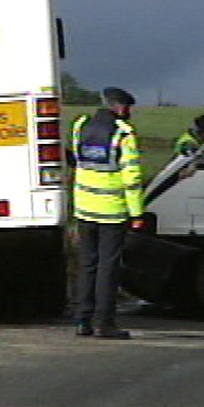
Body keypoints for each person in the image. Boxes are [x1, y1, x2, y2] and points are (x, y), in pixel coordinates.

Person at [70, 86, 145, 339]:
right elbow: (132, 177)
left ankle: (82, 321)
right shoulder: (123, 134)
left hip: (84, 209)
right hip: (111, 212)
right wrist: (137, 214)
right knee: (108, 267)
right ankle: (104, 323)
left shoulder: (81, 126)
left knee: (87, 264)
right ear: (121, 108)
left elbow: (78, 164)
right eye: (128, 108)